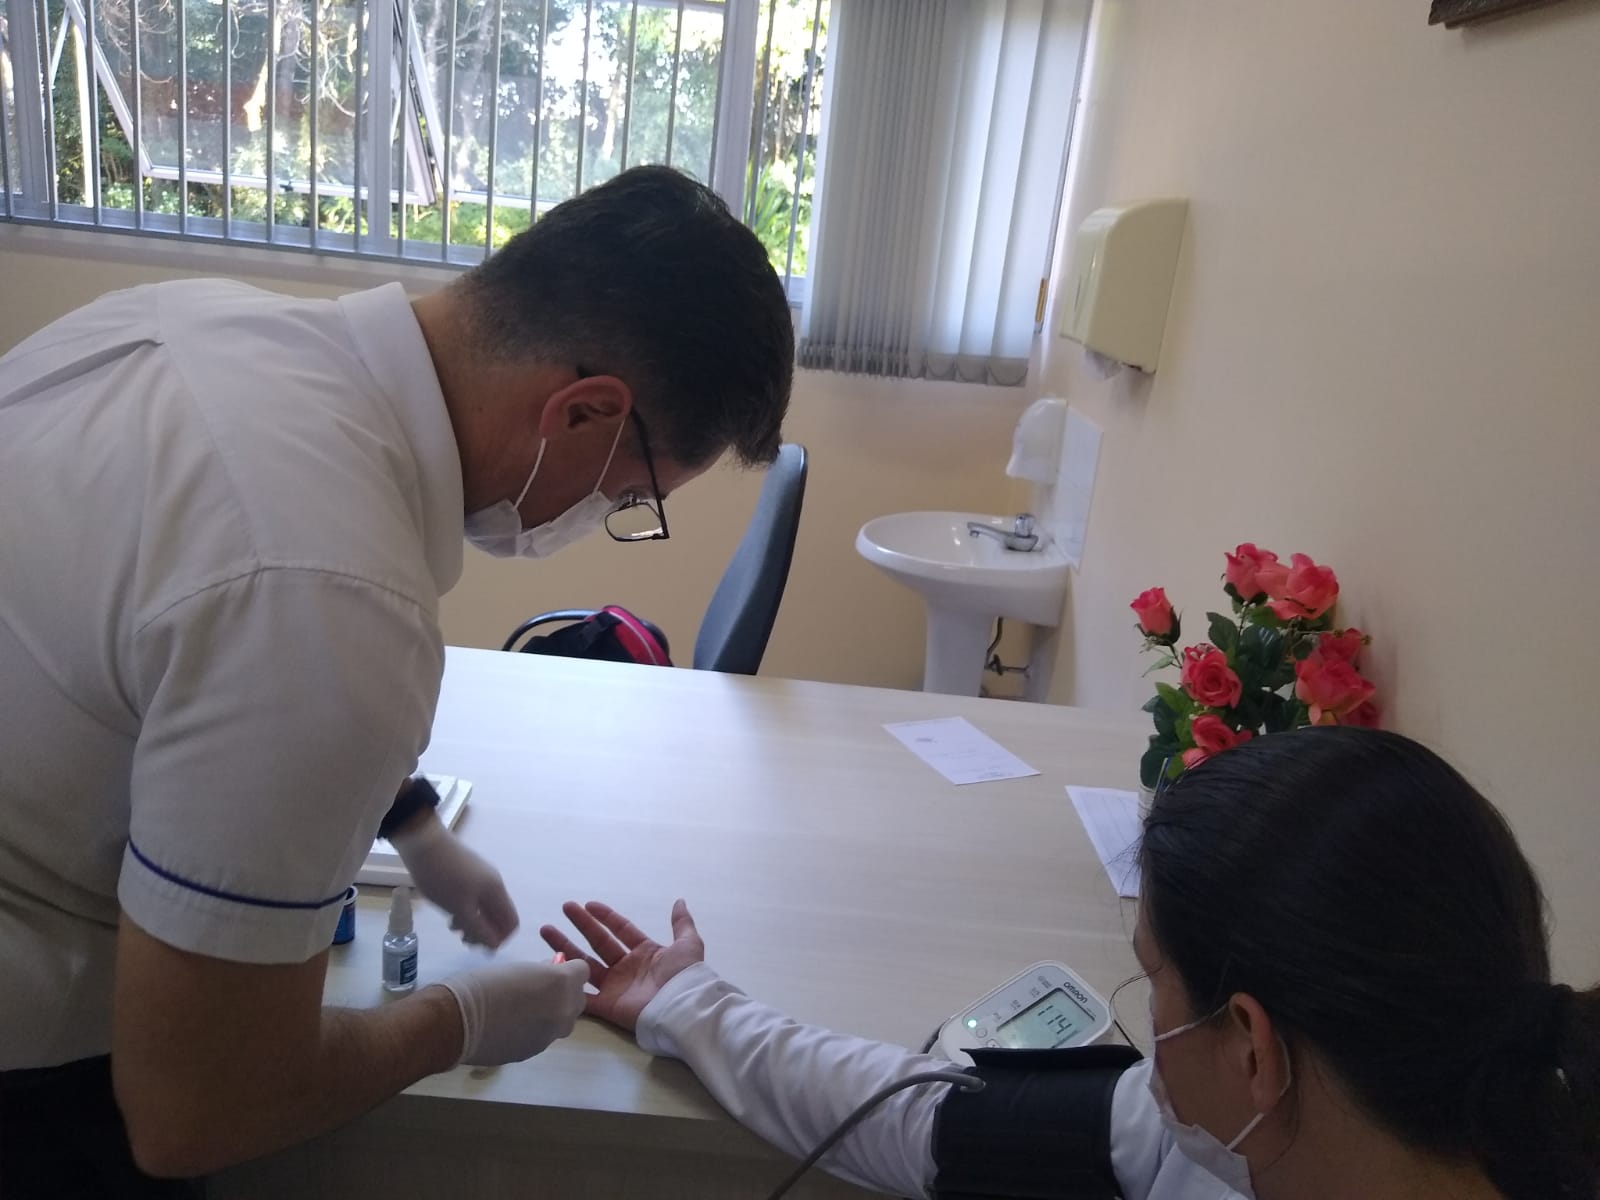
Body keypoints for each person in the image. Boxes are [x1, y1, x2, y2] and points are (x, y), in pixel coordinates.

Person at [0, 165, 794, 1193]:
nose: (608, 519)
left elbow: (160, 656)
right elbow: (198, 1108)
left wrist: (411, 821)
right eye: (631, 498)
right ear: (585, 413)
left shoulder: (185, 322)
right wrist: (454, 1023)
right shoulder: (331, 590)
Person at [540, 728, 1600, 1200]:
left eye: (1155, 981)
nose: (1148, 1027)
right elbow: (918, 1120)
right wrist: (691, 1003)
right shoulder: (1210, 1142)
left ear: (1253, 1050)